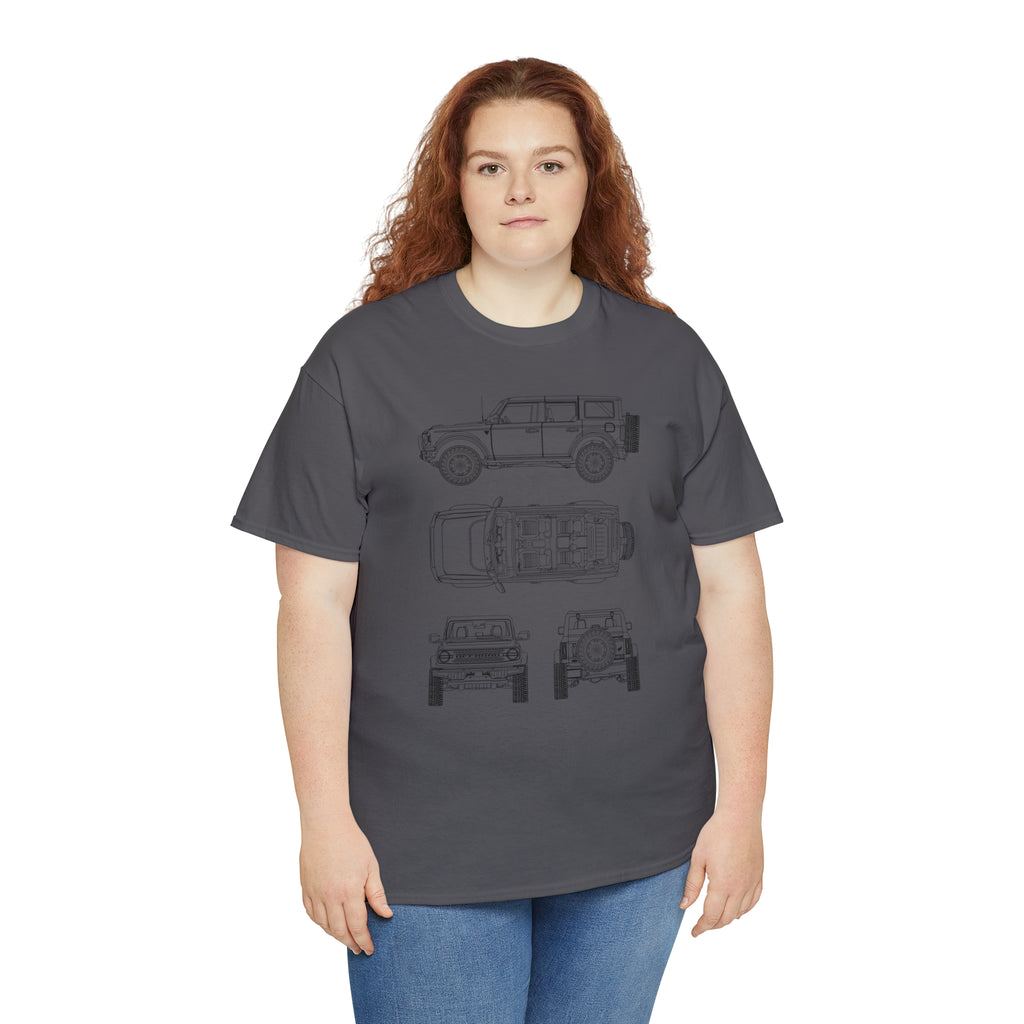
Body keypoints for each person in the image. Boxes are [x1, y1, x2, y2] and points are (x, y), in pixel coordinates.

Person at [230, 56, 783, 1024]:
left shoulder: (669, 358)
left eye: (550, 164)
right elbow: (311, 602)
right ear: (456, 185)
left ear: (591, 181)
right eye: (492, 166)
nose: (521, 190)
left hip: (638, 835)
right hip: (422, 843)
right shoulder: (360, 362)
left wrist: (740, 811)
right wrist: (324, 820)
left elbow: (732, 592)